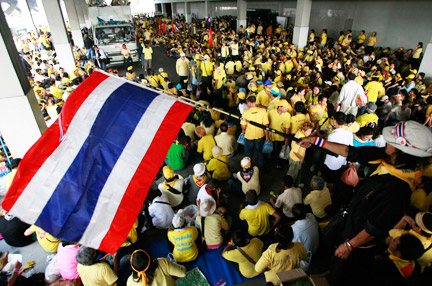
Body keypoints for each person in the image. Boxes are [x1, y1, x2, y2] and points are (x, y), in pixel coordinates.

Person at [298, 120, 432, 286]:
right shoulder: (390, 158)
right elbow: (350, 151)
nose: (385, 142)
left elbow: (373, 227)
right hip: (351, 219)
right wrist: (316, 141)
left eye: (390, 141)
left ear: (402, 152)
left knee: (343, 271)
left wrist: (349, 245)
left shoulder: (397, 190)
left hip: (358, 241)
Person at [241, 96, 270, 170]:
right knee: (260, 152)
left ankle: (248, 168)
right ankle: (260, 168)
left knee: (248, 154)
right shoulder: (263, 111)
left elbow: (243, 126)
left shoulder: (245, 112)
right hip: (260, 135)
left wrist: (243, 130)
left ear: (249, 103)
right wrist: (267, 136)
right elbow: (265, 125)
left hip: (249, 136)